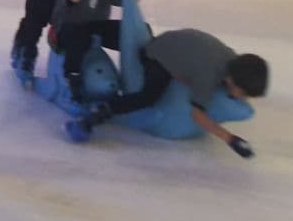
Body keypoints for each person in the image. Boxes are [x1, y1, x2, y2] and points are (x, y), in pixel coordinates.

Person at [64, 29, 268, 158]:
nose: (243, 98)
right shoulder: (208, 77)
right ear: (232, 80)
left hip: (173, 44)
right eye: (242, 93)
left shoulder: (231, 60)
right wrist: (230, 139)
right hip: (155, 55)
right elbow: (197, 115)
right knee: (148, 98)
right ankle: (97, 114)